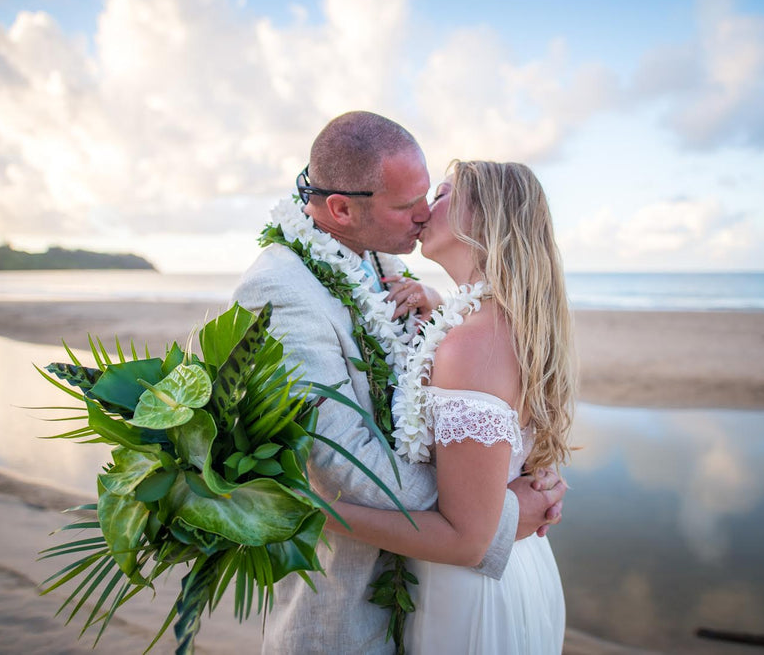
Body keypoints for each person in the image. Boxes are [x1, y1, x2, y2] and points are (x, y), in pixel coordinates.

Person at [232, 112, 566, 654]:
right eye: (407, 203)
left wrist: (520, 465)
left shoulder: (383, 257)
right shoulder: (280, 289)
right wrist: (496, 513)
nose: (422, 214)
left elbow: (476, 400)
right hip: (350, 601)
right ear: (341, 208)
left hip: (441, 585)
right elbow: (345, 467)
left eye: (431, 194)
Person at [326, 159, 575, 653]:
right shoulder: (490, 320)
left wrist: (318, 513)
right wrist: (439, 307)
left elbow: (466, 540)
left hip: (472, 597)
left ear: (484, 218)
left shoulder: (473, 343)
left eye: (441, 194)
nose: (423, 207)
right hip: (506, 573)